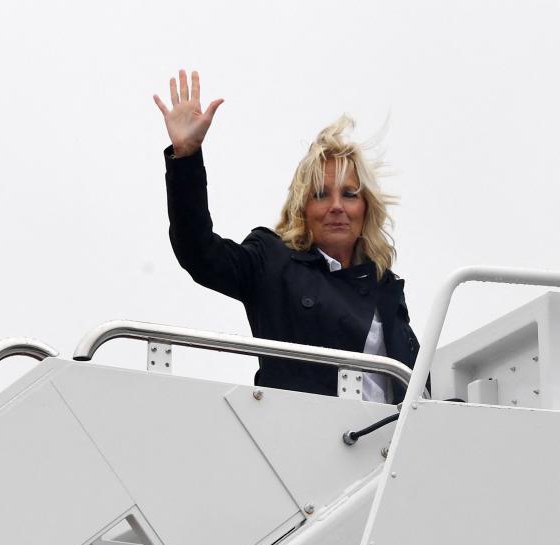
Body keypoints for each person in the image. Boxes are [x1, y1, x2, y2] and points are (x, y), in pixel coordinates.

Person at [153, 70, 420, 402]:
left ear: (366, 208)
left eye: (349, 195)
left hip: (386, 444)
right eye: (322, 195)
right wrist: (187, 157)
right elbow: (198, 252)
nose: (337, 207)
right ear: (303, 208)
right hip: (299, 436)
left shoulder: (386, 288)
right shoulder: (274, 261)